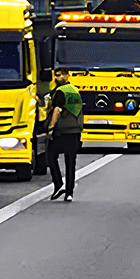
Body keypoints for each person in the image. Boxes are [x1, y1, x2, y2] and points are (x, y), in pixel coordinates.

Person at [46, 69, 83, 201]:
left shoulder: (60, 91)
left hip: (62, 131)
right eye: (57, 75)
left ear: (67, 76)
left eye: (61, 75)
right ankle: (69, 193)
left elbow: (57, 109)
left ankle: (59, 184)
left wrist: (50, 127)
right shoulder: (74, 90)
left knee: (50, 155)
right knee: (71, 162)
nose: (58, 77)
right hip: (75, 131)